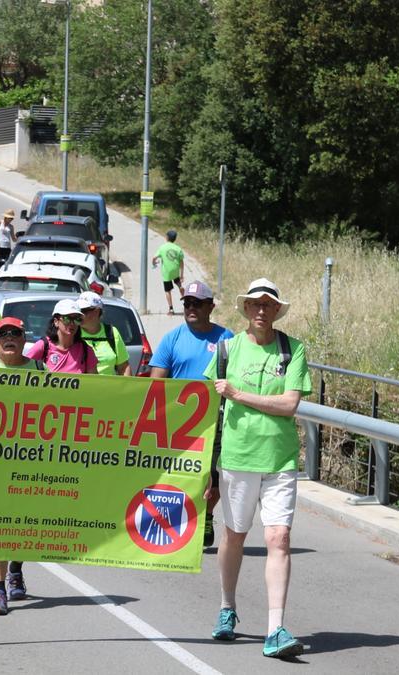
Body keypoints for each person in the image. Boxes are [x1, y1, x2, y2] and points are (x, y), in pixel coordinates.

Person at [204, 278, 310, 659]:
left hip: (280, 461)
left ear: (277, 311)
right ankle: (227, 607)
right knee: (235, 537)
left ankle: (275, 628)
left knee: (279, 539)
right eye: (255, 304)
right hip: (237, 458)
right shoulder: (226, 350)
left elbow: (289, 405)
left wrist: (238, 394)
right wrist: (205, 470)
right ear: (246, 309)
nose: (262, 310)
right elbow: (204, 409)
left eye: (269, 305)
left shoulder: (292, 349)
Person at [150, 280, 233, 547]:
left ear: (210, 306)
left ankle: (207, 515)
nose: (191, 308)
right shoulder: (172, 338)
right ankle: (178, 524)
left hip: (216, 420)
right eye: (187, 303)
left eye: (197, 303)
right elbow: (156, 382)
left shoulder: (227, 339)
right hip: (179, 424)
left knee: (213, 474)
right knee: (182, 475)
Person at [0, 317, 35, 615]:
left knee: (26, 525)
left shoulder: (40, 370)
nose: (9, 339)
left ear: (24, 338)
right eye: (3, 335)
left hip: (31, 463)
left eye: (15, 333)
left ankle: (16, 567)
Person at [23, 299, 98, 373]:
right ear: (56, 322)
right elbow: (23, 371)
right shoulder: (43, 346)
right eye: (67, 318)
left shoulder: (86, 350)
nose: (72, 323)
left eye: (77, 319)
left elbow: (93, 382)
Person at [76, 292, 131, 375]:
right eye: (78, 311)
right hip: (83, 387)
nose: (79, 315)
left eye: (83, 311)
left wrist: (127, 387)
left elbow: (123, 367)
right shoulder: (74, 333)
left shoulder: (112, 332)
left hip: (110, 387)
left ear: (97, 311)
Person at [154, 229, 186, 314]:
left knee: (167, 291)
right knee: (178, 283)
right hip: (175, 272)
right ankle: (185, 299)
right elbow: (182, 262)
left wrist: (154, 263)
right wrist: (182, 275)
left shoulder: (162, 247)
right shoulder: (178, 248)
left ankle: (171, 309)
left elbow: (154, 258)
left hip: (167, 273)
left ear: (167, 238)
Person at [0, 209, 17, 274]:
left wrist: (19, 238)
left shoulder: (11, 226)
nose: (11, 220)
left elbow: (13, 239)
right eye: (10, 218)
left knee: (6, 265)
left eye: (12, 218)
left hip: (7, 248)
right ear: (6, 217)